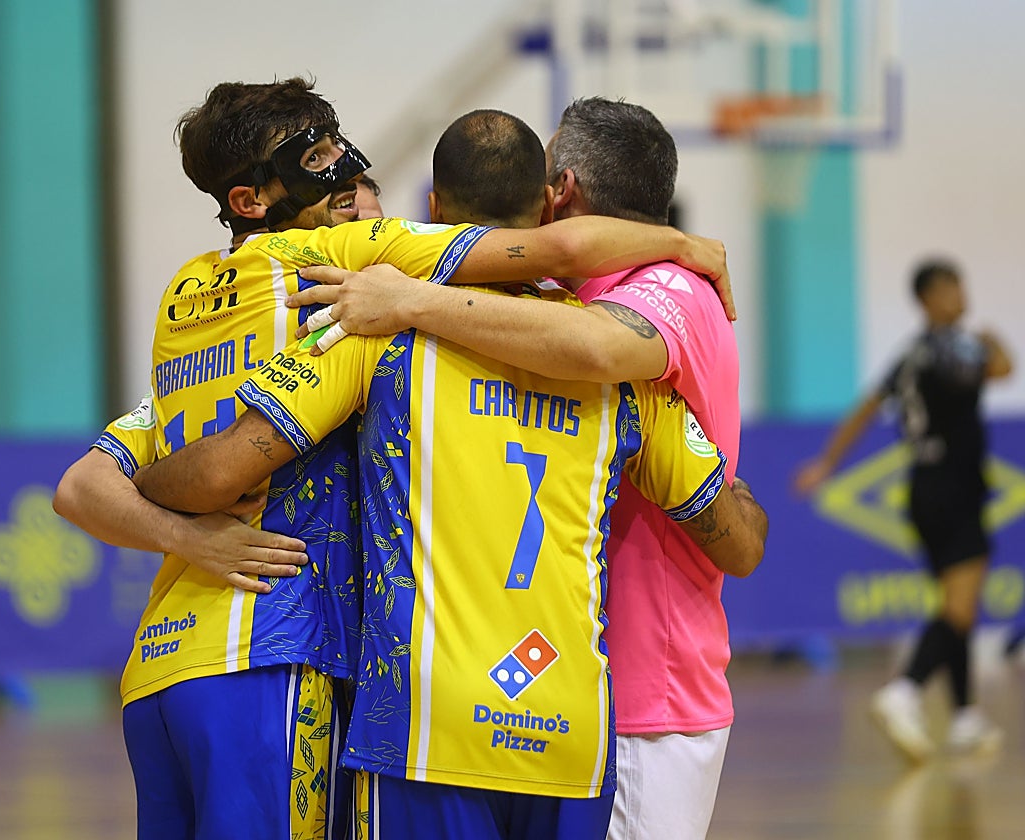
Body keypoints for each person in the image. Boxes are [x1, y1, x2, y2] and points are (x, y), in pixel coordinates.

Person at [53, 78, 735, 840]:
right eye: (324, 168)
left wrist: (180, 533)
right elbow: (564, 251)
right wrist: (684, 243)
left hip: (161, 667)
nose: (348, 186)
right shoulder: (347, 299)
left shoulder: (186, 295)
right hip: (278, 650)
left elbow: (82, 485)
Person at [290, 98, 748, 839]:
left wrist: (412, 298)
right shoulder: (582, 320)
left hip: (623, 695)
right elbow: (741, 538)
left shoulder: (637, 303)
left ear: (559, 191)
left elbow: (594, 341)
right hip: (575, 703)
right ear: (543, 200)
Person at [795, 259, 1013, 762]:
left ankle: (963, 716)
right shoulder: (956, 347)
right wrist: (995, 341)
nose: (961, 295)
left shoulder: (910, 356)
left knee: (953, 603)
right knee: (959, 605)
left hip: (922, 488)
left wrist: (827, 462)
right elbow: (1003, 369)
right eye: (953, 287)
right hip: (956, 487)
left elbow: (868, 407)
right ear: (930, 298)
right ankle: (905, 691)